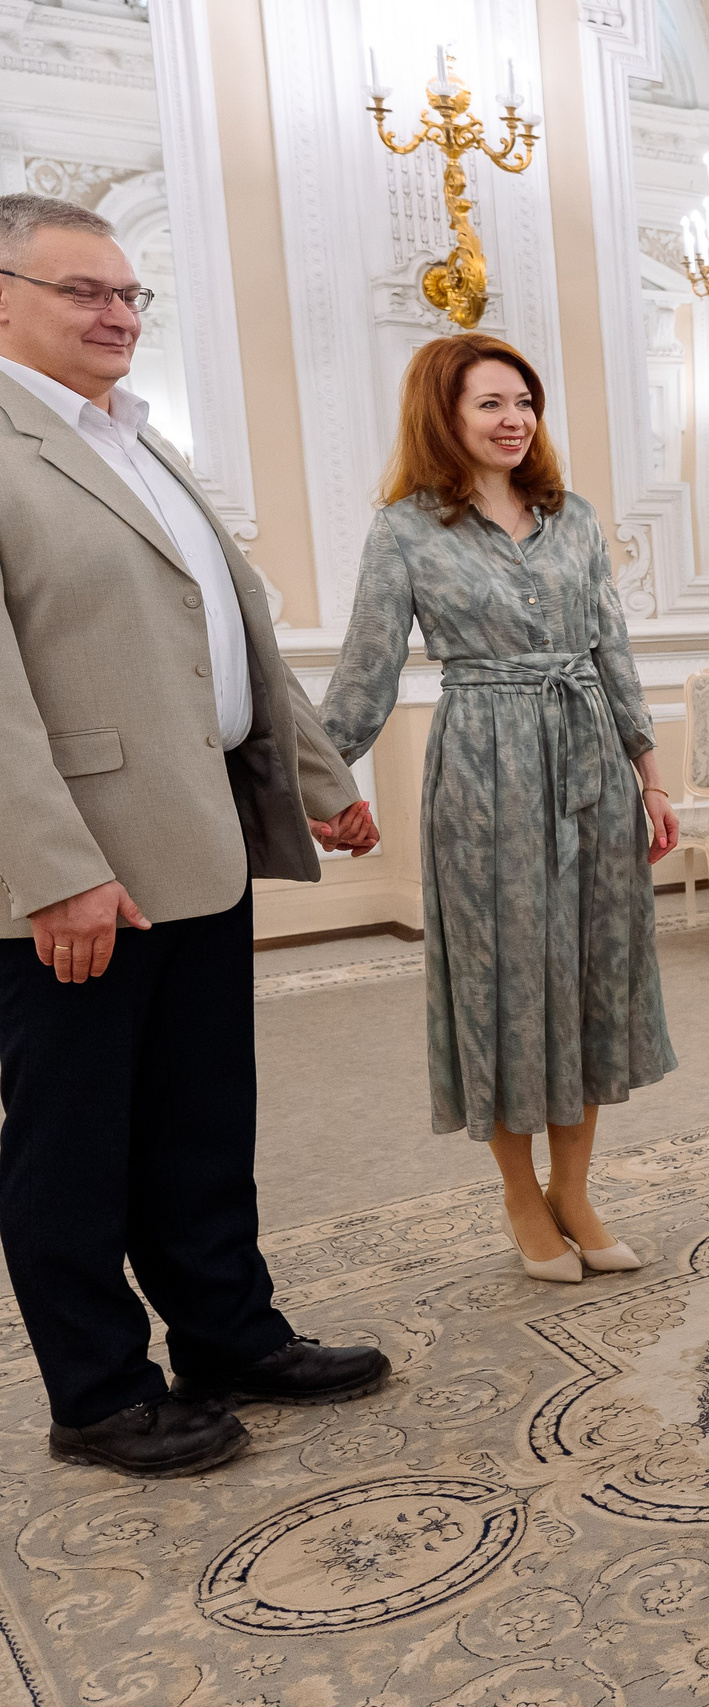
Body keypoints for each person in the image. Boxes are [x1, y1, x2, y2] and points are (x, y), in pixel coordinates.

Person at [0, 193, 389, 1479]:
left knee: (200, 1116)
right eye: (84, 293)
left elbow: (231, 633)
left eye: (129, 295)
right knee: (74, 1139)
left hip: (200, 833)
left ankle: (228, 1334)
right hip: (81, 868)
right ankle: (100, 1394)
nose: (118, 314)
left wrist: (319, 776)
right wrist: (54, 874)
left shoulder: (136, 438)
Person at [322, 333, 679, 1285]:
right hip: (484, 767)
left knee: (593, 974)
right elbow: (365, 673)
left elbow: (614, 650)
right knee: (506, 984)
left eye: (524, 400)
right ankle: (521, 1193)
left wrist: (650, 772)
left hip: (591, 760)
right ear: (443, 414)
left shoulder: (576, 518)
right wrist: (324, 783)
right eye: (490, 402)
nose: (514, 418)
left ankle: (577, 1189)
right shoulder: (404, 529)